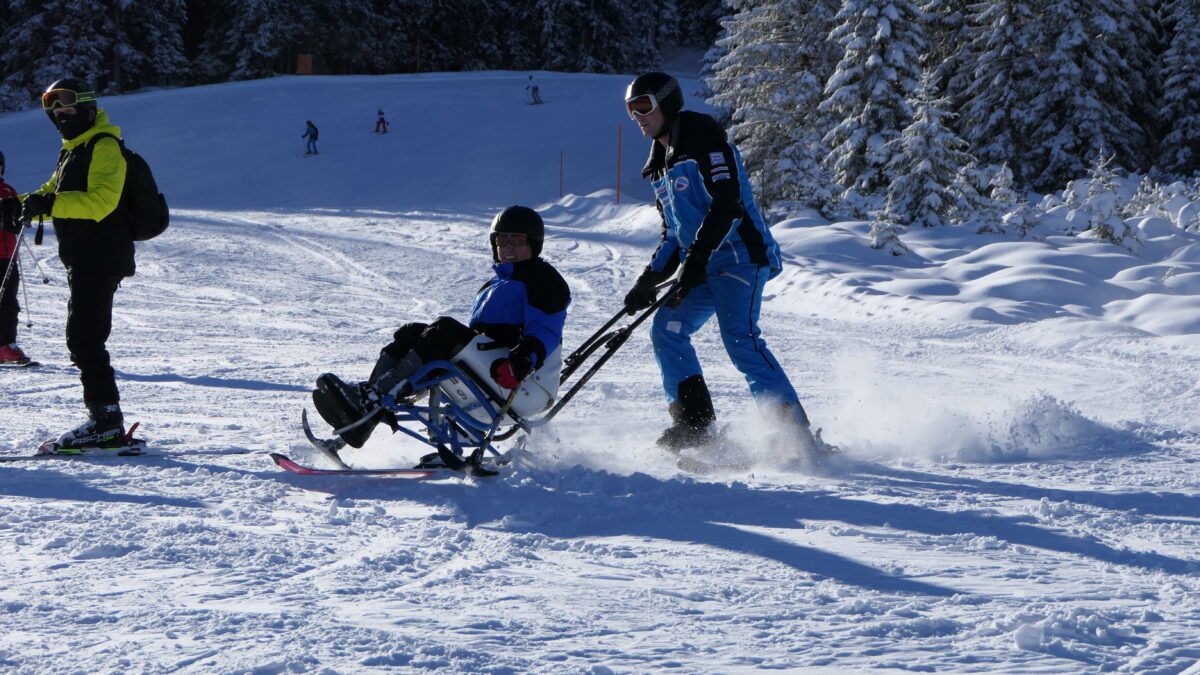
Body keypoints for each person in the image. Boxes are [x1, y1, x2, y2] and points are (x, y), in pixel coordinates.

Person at [620, 72, 819, 455]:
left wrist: (696, 258)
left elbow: (728, 206)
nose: (637, 117)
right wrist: (649, 278)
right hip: (702, 264)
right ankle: (694, 425)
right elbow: (674, 234)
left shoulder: (706, 144)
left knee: (740, 340)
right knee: (667, 328)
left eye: (643, 106)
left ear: (667, 104)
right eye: (631, 110)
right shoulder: (660, 167)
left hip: (740, 259)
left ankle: (795, 435)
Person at [312, 205, 571, 449]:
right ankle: (367, 403)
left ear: (534, 243)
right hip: (489, 371)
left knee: (443, 330)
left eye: (517, 241)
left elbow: (545, 330)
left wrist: (521, 360)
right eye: (502, 241)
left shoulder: (542, 280)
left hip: (519, 380)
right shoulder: (495, 285)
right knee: (412, 332)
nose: (508, 247)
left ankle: (375, 399)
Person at [18, 78, 138, 449]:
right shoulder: (73, 149)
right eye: (54, 110)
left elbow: (101, 201)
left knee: (85, 339)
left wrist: (49, 205)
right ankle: (105, 420)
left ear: (86, 107)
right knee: (83, 338)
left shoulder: (104, 146)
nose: (61, 115)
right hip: (84, 255)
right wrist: (18, 205)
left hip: (101, 255)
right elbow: (49, 194)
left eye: (68, 107)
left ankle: (106, 422)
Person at [0, 149, 31, 366]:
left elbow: (17, 219)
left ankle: (5, 346)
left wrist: (18, 218)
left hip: (7, 257)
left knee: (8, 302)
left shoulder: (8, 191)